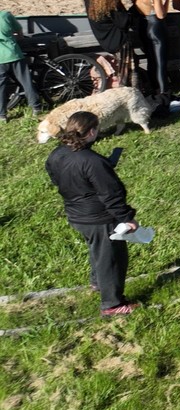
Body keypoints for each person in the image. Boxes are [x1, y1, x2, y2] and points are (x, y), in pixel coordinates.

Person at [44, 110, 142, 316]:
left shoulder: (57, 153)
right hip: (99, 218)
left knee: (97, 250)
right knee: (112, 259)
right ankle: (113, 304)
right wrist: (127, 218)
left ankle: (98, 283)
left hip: (76, 215)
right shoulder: (92, 161)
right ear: (90, 132)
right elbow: (111, 195)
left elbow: (56, 177)